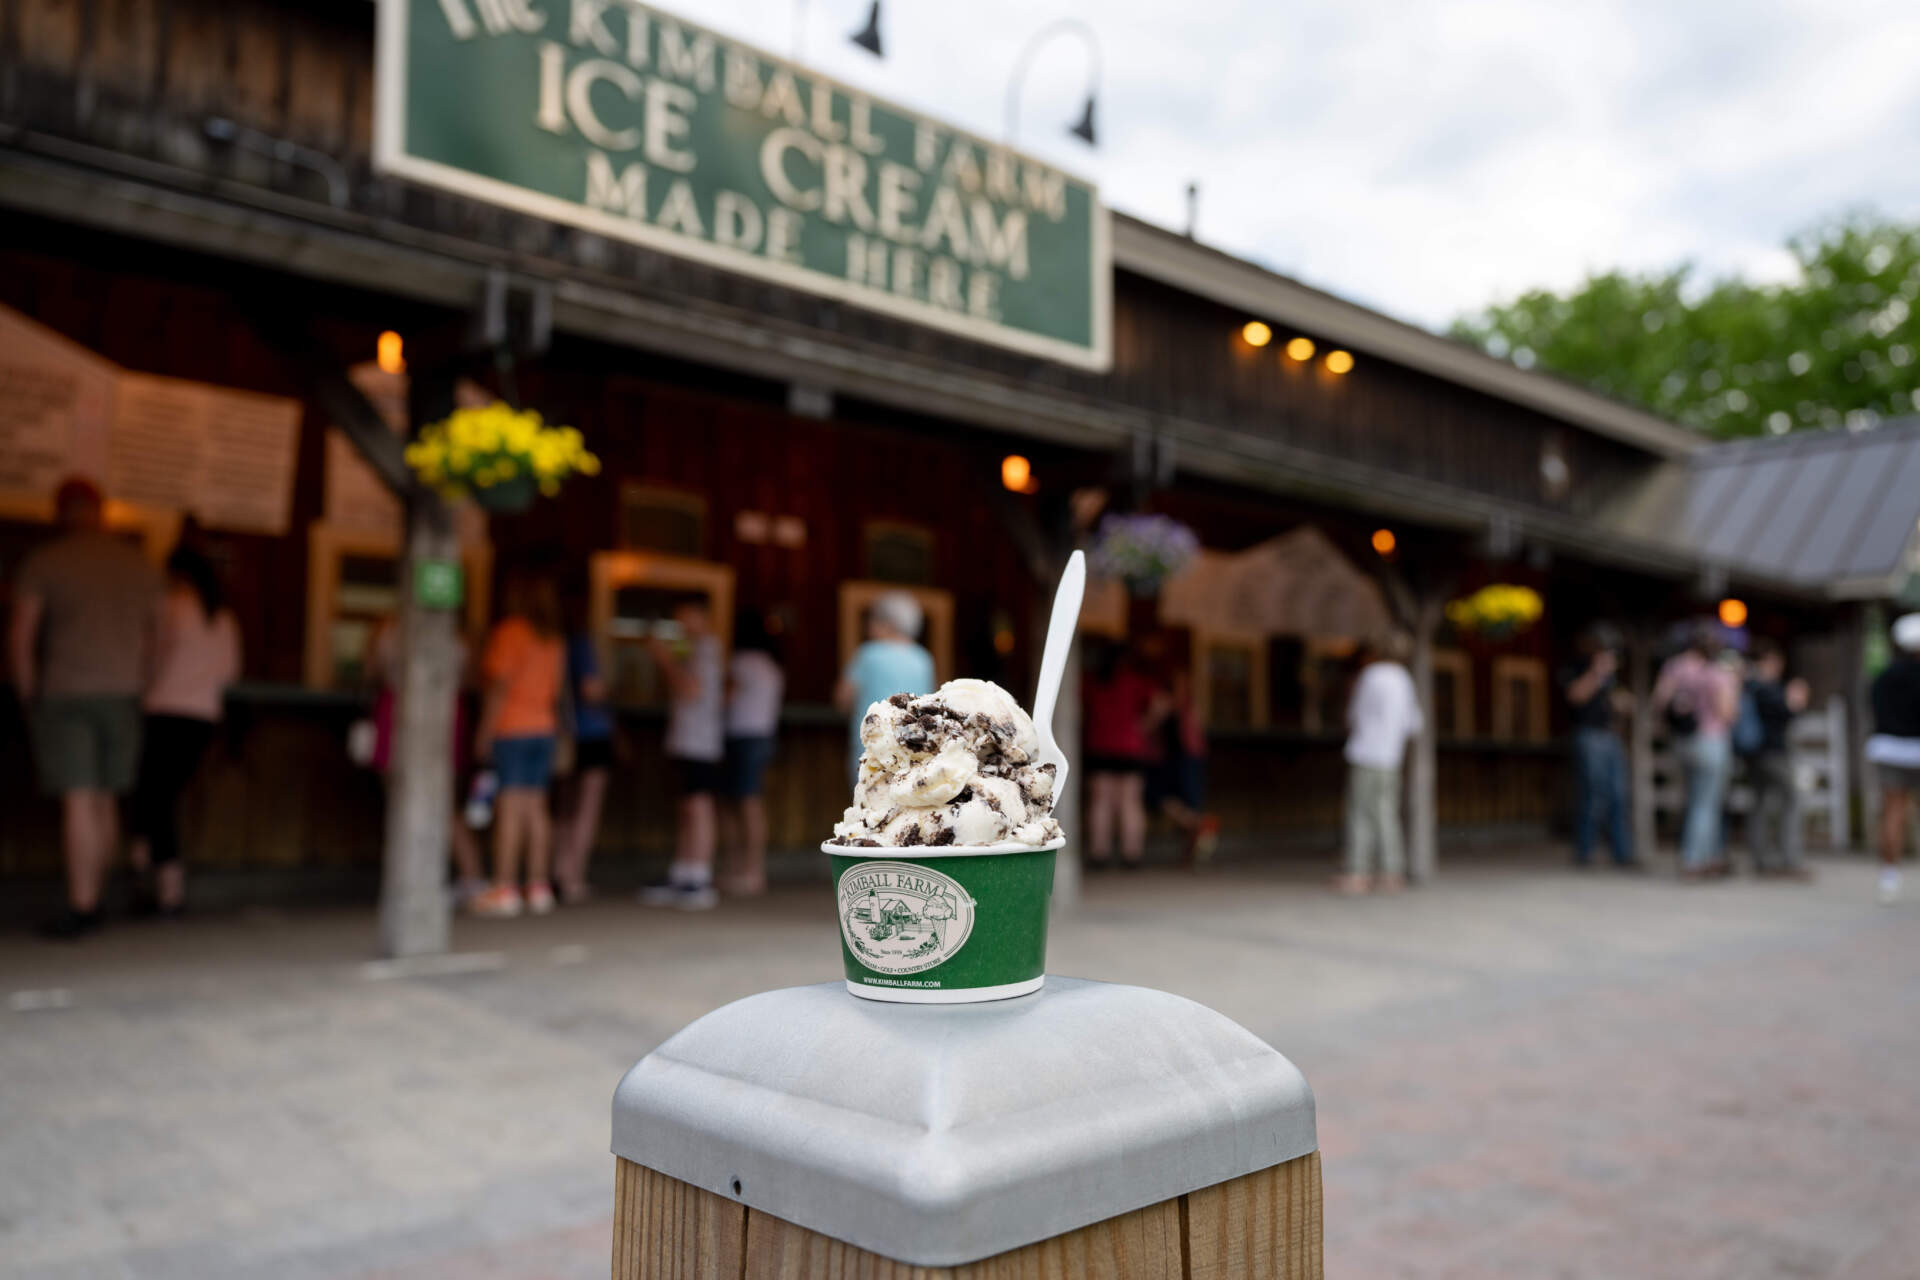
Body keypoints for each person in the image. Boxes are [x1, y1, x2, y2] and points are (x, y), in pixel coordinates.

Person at [8, 478, 163, 939]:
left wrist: (27, 691)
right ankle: (96, 893)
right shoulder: (138, 564)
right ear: (101, 511)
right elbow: (160, 636)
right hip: (124, 692)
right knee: (107, 798)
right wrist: (146, 682)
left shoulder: (46, 562)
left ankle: (84, 903)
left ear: (61, 512)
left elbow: (21, 635)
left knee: (79, 797)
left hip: (66, 694)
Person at [126, 540, 242, 917]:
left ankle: (159, 887)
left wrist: (142, 689)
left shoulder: (170, 607)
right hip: (203, 718)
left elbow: (149, 659)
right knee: (157, 799)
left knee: (154, 800)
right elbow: (230, 673)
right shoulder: (222, 618)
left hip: (163, 711)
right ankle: (150, 878)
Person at [366, 614, 487, 906]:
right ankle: (464, 876)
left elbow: (372, 670)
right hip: (447, 712)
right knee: (443, 803)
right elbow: (473, 680)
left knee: (403, 800)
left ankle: (413, 879)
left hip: (399, 710)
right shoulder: (458, 637)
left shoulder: (388, 630)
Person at [469, 576, 565, 918]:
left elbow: (498, 689)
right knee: (537, 808)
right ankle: (538, 887)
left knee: (510, 807)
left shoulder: (510, 632)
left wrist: (484, 731)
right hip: (544, 728)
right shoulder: (552, 639)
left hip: (512, 728)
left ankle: (505, 886)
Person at [640, 594, 725, 910]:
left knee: (699, 807)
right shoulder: (693, 648)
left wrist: (663, 659)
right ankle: (684, 873)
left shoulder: (706, 648)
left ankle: (699, 878)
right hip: (687, 739)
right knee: (687, 807)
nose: (681, 624)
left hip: (700, 741)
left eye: (686, 616)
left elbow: (691, 689)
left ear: (702, 616)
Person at [1336, 632, 1424, 894]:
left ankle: (1358, 872)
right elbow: (1414, 723)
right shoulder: (1404, 679)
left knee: (1361, 814)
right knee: (1386, 814)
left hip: (1366, 754)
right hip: (1391, 758)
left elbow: (1355, 716)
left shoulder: (1371, 675)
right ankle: (1391, 872)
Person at [1653, 621, 1741, 881]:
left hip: (1683, 741)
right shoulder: (1718, 673)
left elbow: (1659, 702)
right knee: (1707, 804)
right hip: (1711, 741)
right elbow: (1726, 712)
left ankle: (1706, 856)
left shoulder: (1675, 667)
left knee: (1693, 800)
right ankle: (1695, 859)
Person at [834, 591, 935, 783]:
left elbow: (843, 697)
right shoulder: (924, 659)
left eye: (873, 620)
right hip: (912, 748)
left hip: (871, 746)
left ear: (887, 623)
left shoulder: (868, 653)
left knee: (867, 804)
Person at [553, 601, 615, 905]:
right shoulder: (582, 643)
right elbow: (592, 690)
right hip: (590, 732)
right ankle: (573, 876)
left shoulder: (551, 642)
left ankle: (557, 869)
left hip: (560, 732)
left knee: (564, 807)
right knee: (586, 808)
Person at [720, 609, 785, 897]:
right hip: (764, 736)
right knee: (748, 802)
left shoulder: (741, 662)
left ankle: (745, 871)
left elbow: (725, 699)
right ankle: (749, 869)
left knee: (743, 803)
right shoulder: (772, 665)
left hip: (742, 736)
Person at [1561, 625, 1636, 869]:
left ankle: (1621, 853)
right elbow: (1575, 696)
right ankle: (1585, 851)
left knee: (1618, 795)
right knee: (1592, 795)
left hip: (1611, 736)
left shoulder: (1612, 677)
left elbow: (1624, 704)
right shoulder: (1578, 667)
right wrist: (1596, 672)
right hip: (1589, 736)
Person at [1082, 642, 1157, 869]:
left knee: (1100, 802)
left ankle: (1099, 853)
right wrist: (1144, 726)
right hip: (1130, 747)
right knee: (1130, 802)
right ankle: (1131, 854)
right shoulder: (1134, 680)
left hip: (1100, 744)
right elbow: (1161, 703)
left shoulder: (1093, 680)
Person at [1741, 639, 1810, 881]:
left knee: (1759, 804)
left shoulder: (1747, 685)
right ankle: (1789, 858)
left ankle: (1760, 858)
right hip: (1773, 752)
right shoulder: (1767, 688)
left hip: (1752, 754)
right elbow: (1789, 711)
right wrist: (1797, 696)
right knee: (1790, 801)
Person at [1867, 613, 1920, 904]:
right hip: (1915, 747)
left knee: (1893, 813)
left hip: (1888, 749)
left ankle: (1889, 877)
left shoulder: (1882, 676)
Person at [1146, 667, 1219, 866]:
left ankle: (1200, 830)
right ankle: (1197, 839)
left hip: (1179, 761)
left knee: (1160, 797)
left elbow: (1148, 727)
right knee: (1186, 805)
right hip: (1189, 760)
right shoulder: (1192, 706)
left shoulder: (1170, 705)